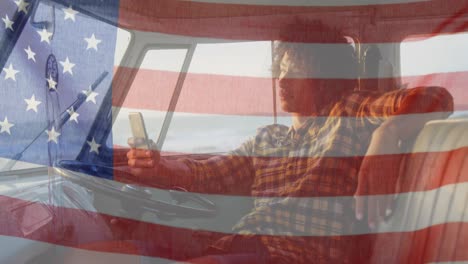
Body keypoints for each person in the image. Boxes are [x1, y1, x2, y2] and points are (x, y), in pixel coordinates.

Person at [126, 20, 453, 264]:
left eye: (295, 69)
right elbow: (202, 174)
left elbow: (435, 97)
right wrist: (159, 167)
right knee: (120, 245)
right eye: (280, 68)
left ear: (324, 75)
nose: (281, 80)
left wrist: (387, 134)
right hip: (239, 245)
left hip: (294, 255)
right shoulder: (267, 139)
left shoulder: (348, 111)